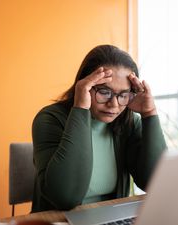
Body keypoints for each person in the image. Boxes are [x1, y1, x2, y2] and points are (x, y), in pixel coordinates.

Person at [31, 45, 167, 213]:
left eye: (123, 95)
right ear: (84, 86)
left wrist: (149, 113)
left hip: (111, 217)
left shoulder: (128, 123)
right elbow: (64, 197)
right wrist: (80, 108)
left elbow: (156, 182)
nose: (114, 105)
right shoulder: (50, 119)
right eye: (104, 92)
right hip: (59, 220)